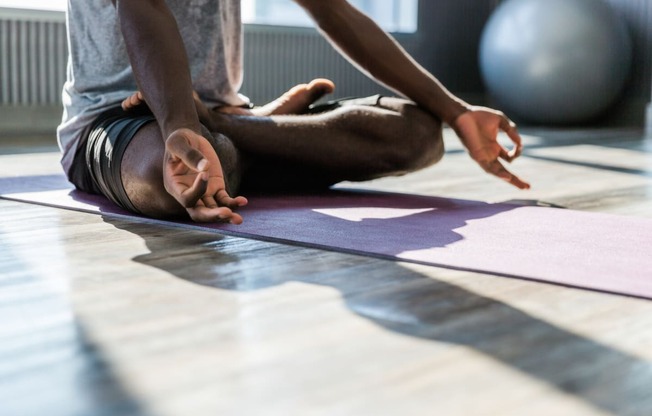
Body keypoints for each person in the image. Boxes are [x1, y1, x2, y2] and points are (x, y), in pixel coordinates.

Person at [57, 0, 530, 225]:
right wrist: (181, 123)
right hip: (119, 119)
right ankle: (225, 144)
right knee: (171, 180)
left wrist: (456, 110)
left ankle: (228, 134)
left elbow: (334, 11)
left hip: (223, 117)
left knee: (419, 134)